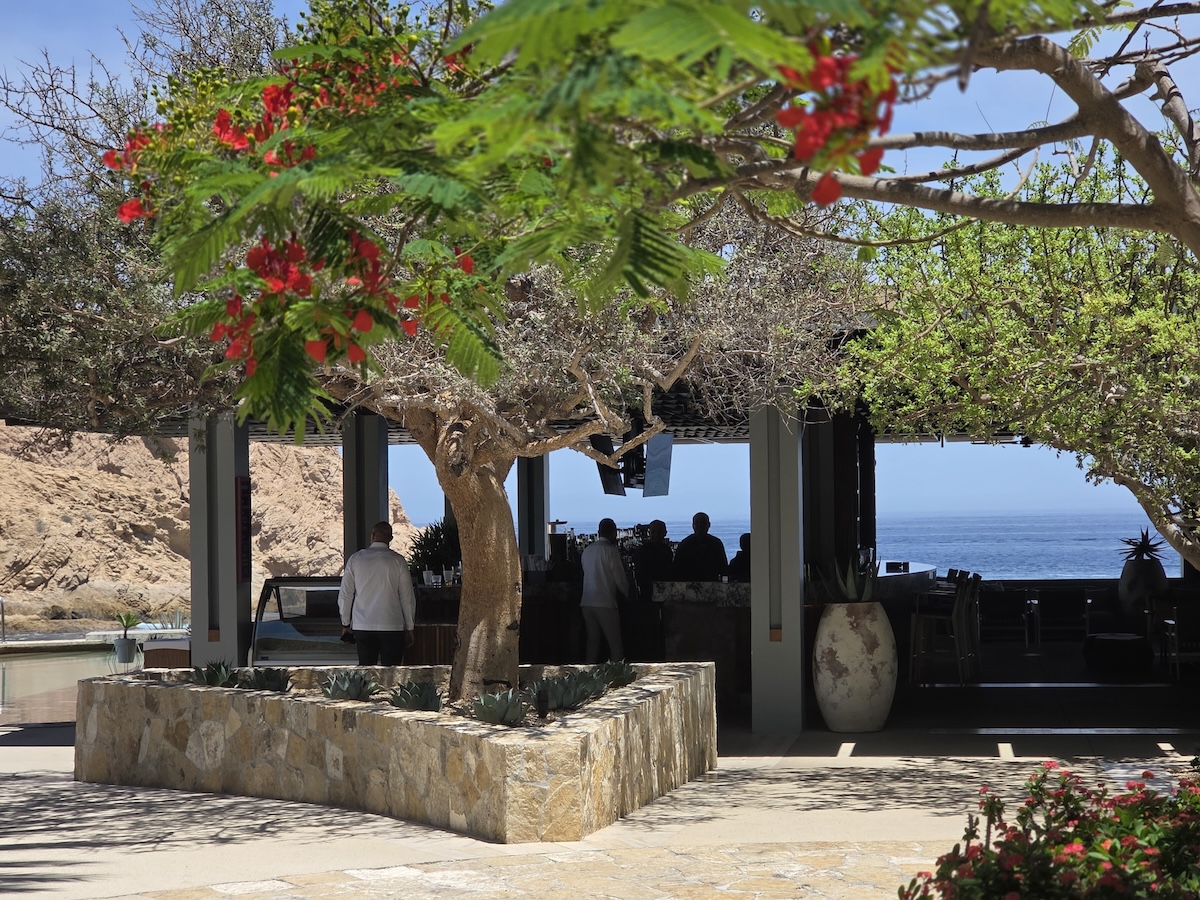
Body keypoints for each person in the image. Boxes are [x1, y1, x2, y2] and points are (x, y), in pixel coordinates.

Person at [338, 520, 416, 666]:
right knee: (392, 673)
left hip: (363, 625)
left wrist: (345, 623)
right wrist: (410, 626)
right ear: (390, 539)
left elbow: (346, 595)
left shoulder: (356, 559)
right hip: (392, 625)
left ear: (372, 536)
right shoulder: (398, 561)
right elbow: (407, 597)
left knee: (367, 672)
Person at [579, 518, 629, 662]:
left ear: (599, 532)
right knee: (615, 646)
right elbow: (619, 578)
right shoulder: (610, 551)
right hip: (605, 602)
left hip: (587, 602)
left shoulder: (587, 550)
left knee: (592, 643)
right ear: (613, 532)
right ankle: (618, 676)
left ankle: (588, 676)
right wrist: (627, 593)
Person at [671, 512, 728, 581]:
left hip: (711, 583)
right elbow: (677, 568)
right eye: (697, 523)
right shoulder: (685, 544)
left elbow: (723, 568)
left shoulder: (716, 543)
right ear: (693, 525)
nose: (700, 525)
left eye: (703, 523)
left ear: (709, 525)